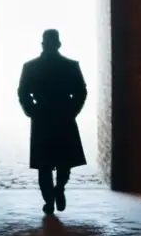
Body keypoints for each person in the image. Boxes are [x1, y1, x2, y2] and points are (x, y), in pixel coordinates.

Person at [17, 29, 88, 214]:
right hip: (64, 116)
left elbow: (23, 92)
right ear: (59, 44)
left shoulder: (31, 66)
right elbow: (81, 91)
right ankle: (59, 189)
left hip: (42, 118)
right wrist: (72, 110)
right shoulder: (70, 66)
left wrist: (32, 110)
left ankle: (49, 200)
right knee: (64, 162)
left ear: (43, 44)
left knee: (44, 165)